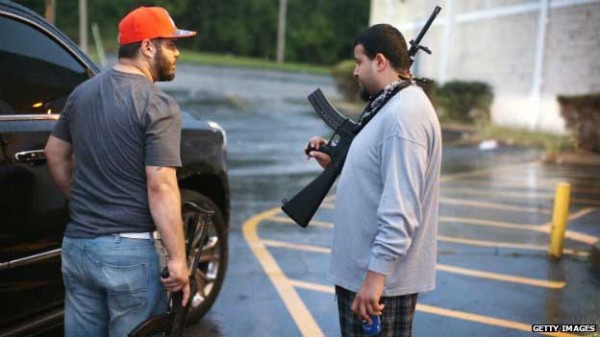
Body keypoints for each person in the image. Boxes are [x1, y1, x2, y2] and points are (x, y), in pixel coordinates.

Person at [44, 7, 196, 336]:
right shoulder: (158, 105)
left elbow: (54, 153)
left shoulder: (81, 94)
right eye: (170, 44)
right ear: (147, 47)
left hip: (78, 246)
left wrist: (82, 199)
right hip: (129, 253)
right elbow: (162, 187)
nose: (177, 52)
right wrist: (178, 260)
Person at [307, 24, 442, 337]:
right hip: (366, 276)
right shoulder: (391, 104)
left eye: (359, 62)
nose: (355, 72)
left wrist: (375, 277)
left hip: (381, 286)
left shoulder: (404, 115)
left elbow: (402, 208)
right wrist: (338, 161)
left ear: (380, 61)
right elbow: (381, 172)